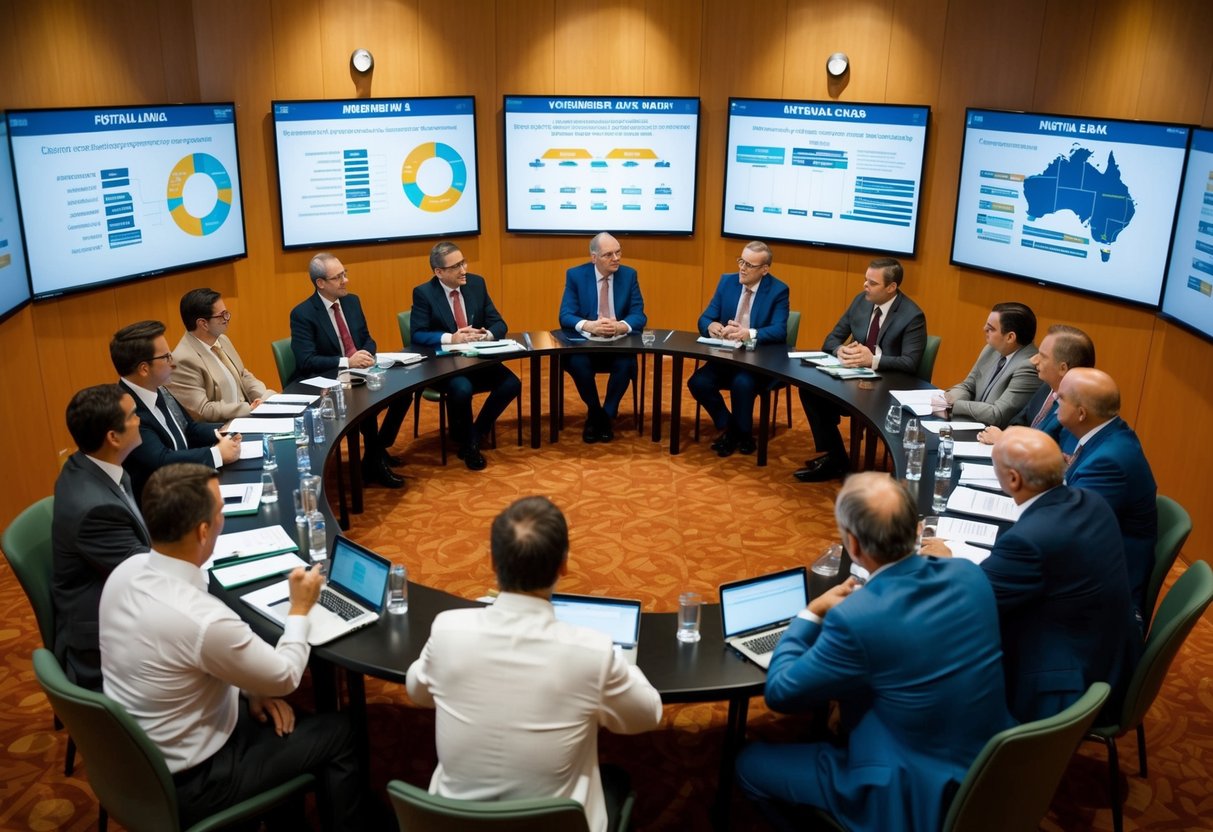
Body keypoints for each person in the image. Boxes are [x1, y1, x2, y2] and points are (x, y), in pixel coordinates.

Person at [99, 463, 371, 830]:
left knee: (281, 713)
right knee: (341, 731)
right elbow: (287, 675)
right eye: (221, 512)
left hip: (136, 759)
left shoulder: (124, 572)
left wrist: (247, 688)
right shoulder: (203, 620)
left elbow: (180, 659)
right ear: (203, 531)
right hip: (196, 781)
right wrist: (300, 608)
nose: (224, 518)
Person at [736, 473, 1012, 832]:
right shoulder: (969, 575)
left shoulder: (856, 618)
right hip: (992, 766)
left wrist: (810, 614)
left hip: (909, 791)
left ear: (853, 544)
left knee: (749, 763)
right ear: (917, 530)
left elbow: (781, 693)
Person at [406, 496, 662, 832]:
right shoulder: (593, 652)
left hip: (452, 822)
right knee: (616, 779)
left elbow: (417, 692)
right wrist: (619, 663)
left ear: (493, 564)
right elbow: (647, 715)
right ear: (564, 566)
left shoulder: (448, 629)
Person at [923, 427, 1140, 722]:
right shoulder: (1091, 501)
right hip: (1107, 654)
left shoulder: (1030, 540)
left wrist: (948, 561)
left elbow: (974, 603)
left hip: (1064, 681)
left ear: (1013, 479)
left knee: (939, 645)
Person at [51, 384, 150, 690]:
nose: (140, 420)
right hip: (105, 645)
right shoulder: (96, 510)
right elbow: (152, 579)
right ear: (113, 437)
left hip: (117, 600)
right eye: (134, 415)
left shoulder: (90, 466)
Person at [795, 257, 927, 482]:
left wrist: (873, 360)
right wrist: (840, 351)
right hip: (853, 379)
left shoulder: (912, 316)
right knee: (810, 390)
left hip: (887, 388)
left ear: (891, 287)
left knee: (856, 404)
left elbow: (910, 363)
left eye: (872, 283)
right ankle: (836, 457)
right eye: (866, 280)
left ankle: (850, 465)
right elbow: (832, 339)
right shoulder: (861, 301)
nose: (865, 286)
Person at [288, 253, 407, 489]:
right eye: (338, 277)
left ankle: (375, 452)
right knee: (366, 404)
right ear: (320, 283)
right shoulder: (303, 314)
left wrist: (366, 354)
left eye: (345, 273)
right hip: (327, 382)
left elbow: (367, 339)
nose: (345, 281)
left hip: (359, 371)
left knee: (403, 392)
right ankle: (374, 462)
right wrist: (347, 362)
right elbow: (307, 361)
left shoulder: (352, 302)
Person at [1056, 367, 1158, 622]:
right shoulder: (1107, 433)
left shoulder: (1109, 462)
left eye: (1061, 397)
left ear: (1081, 414)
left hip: (1103, 600)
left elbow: (1070, 531)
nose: (1055, 397)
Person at [410, 241, 522, 471]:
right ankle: (469, 442)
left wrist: (486, 335)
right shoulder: (424, 293)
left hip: (478, 360)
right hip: (445, 365)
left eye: (463, 262)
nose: (464, 270)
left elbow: (499, 322)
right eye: (456, 266)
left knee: (512, 383)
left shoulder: (476, 284)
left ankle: (473, 435)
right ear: (439, 272)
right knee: (461, 389)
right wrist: (452, 338)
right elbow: (418, 334)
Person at [112, 320, 241, 502]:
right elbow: (160, 461)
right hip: (162, 506)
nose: (173, 363)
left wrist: (226, 430)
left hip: (186, 486)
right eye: (166, 357)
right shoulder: (126, 410)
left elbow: (188, 428)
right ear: (143, 369)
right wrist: (217, 454)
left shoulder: (159, 389)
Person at [689, 241, 789, 457]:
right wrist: (711, 325)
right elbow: (705, 317)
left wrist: (749, 333)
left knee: (742, 383)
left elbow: (780, 331)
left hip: (758, 361)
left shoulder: (778, 290)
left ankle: (739, 433)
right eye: (741, 261)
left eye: (749, 265)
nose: (742, 268)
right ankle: (732, 427)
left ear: (764, 269)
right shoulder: (727, 282)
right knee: (698, 382)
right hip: (727, 356)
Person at [558, 232, 646, 443]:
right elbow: (565, 315)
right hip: (587, 344)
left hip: (618, 344)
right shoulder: (576, 275)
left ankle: (604, 415)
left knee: (626, 363)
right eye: (608, 254)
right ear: (594, 258)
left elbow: (639, 314)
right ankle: (595, 411)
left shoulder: (629, 275)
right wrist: (590, 325)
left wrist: (620, 326)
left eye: (618, 252)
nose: (616, 258)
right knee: (577, 363)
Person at [977, 323, 1094, 452]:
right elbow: (1019, 421)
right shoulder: (1047, 387)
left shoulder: (1075, 412)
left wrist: (1004, 440)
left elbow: (1050, 457)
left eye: (1042, 356)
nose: (1033, 360)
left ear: (1063, 368)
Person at [168, 288, 277, 421]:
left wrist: (266, 399)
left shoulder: (222, 340)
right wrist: (249, 409)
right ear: (203, 324)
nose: (227, 318)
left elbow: (243, 376)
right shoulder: (183, 360)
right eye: (222, 315)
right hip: (223, 429)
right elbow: (203, 410)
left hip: (247, 417)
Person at [933, 302, 1039, 427]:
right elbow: (968, 386)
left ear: (1010, 337)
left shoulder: (1029, 367)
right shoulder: (991, 349)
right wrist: (947, 400)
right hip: (973, 424)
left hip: (995, 436)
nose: (984, 329)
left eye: (991, 328)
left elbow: (998, 414)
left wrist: (952, 406)